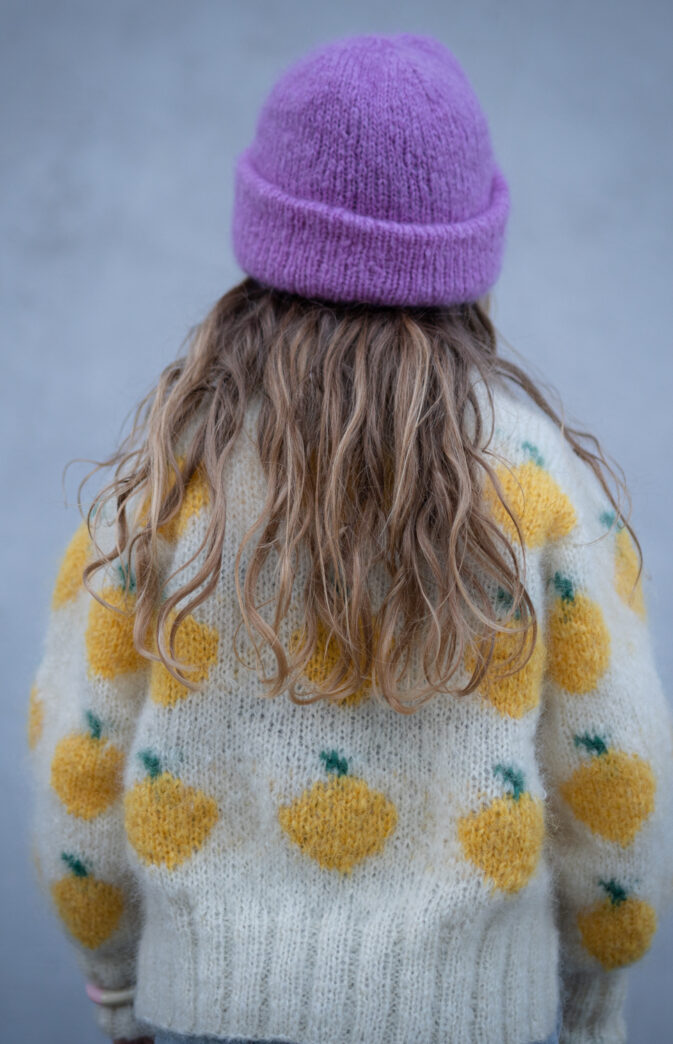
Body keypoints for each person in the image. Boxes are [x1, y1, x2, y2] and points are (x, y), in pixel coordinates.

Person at [26, 31, 673, 1044]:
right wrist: (597, 994)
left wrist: (113, 976)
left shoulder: (173, 471)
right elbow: (617, 769)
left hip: (207, 1010)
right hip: (474, 1021)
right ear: (467, 258)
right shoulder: (538, 482)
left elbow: (80, 755)